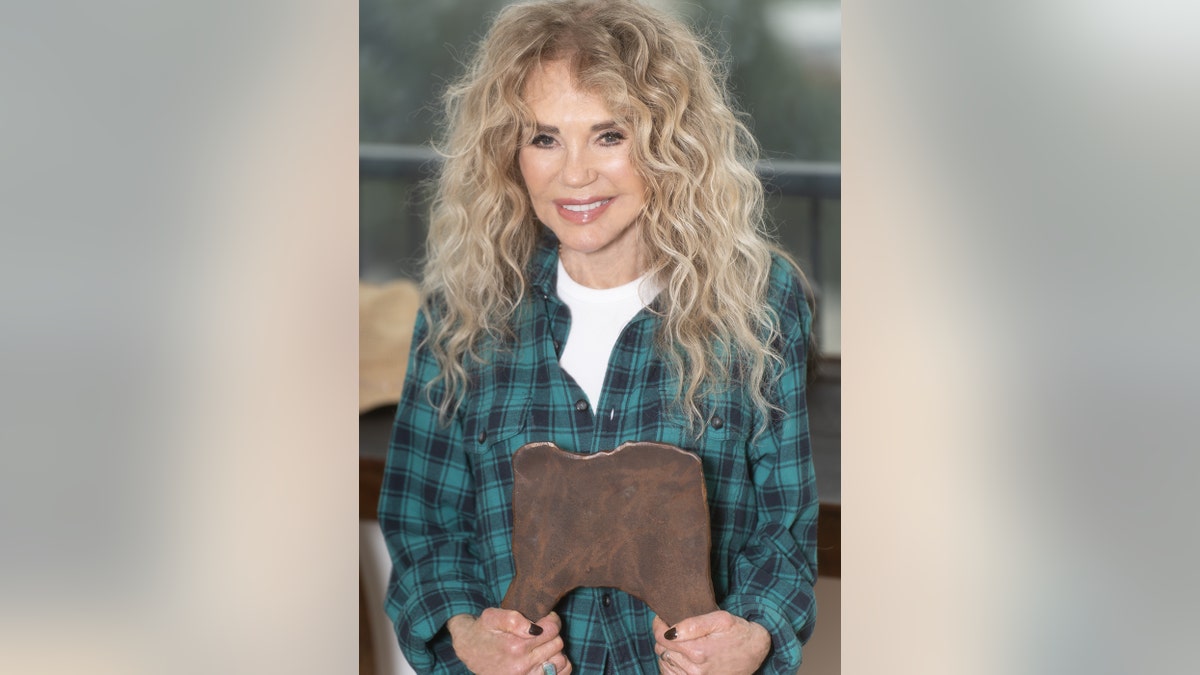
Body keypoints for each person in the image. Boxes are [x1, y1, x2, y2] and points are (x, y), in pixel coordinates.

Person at [378, 0, 819, 673]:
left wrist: (753, 633)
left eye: (610, 135)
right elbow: (422, 525)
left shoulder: (760, 304)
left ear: (670, 143)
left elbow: (783, 532)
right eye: (544, 137)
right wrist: (467, 632)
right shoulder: (459, 313)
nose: (575, 173)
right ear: (508, 150)